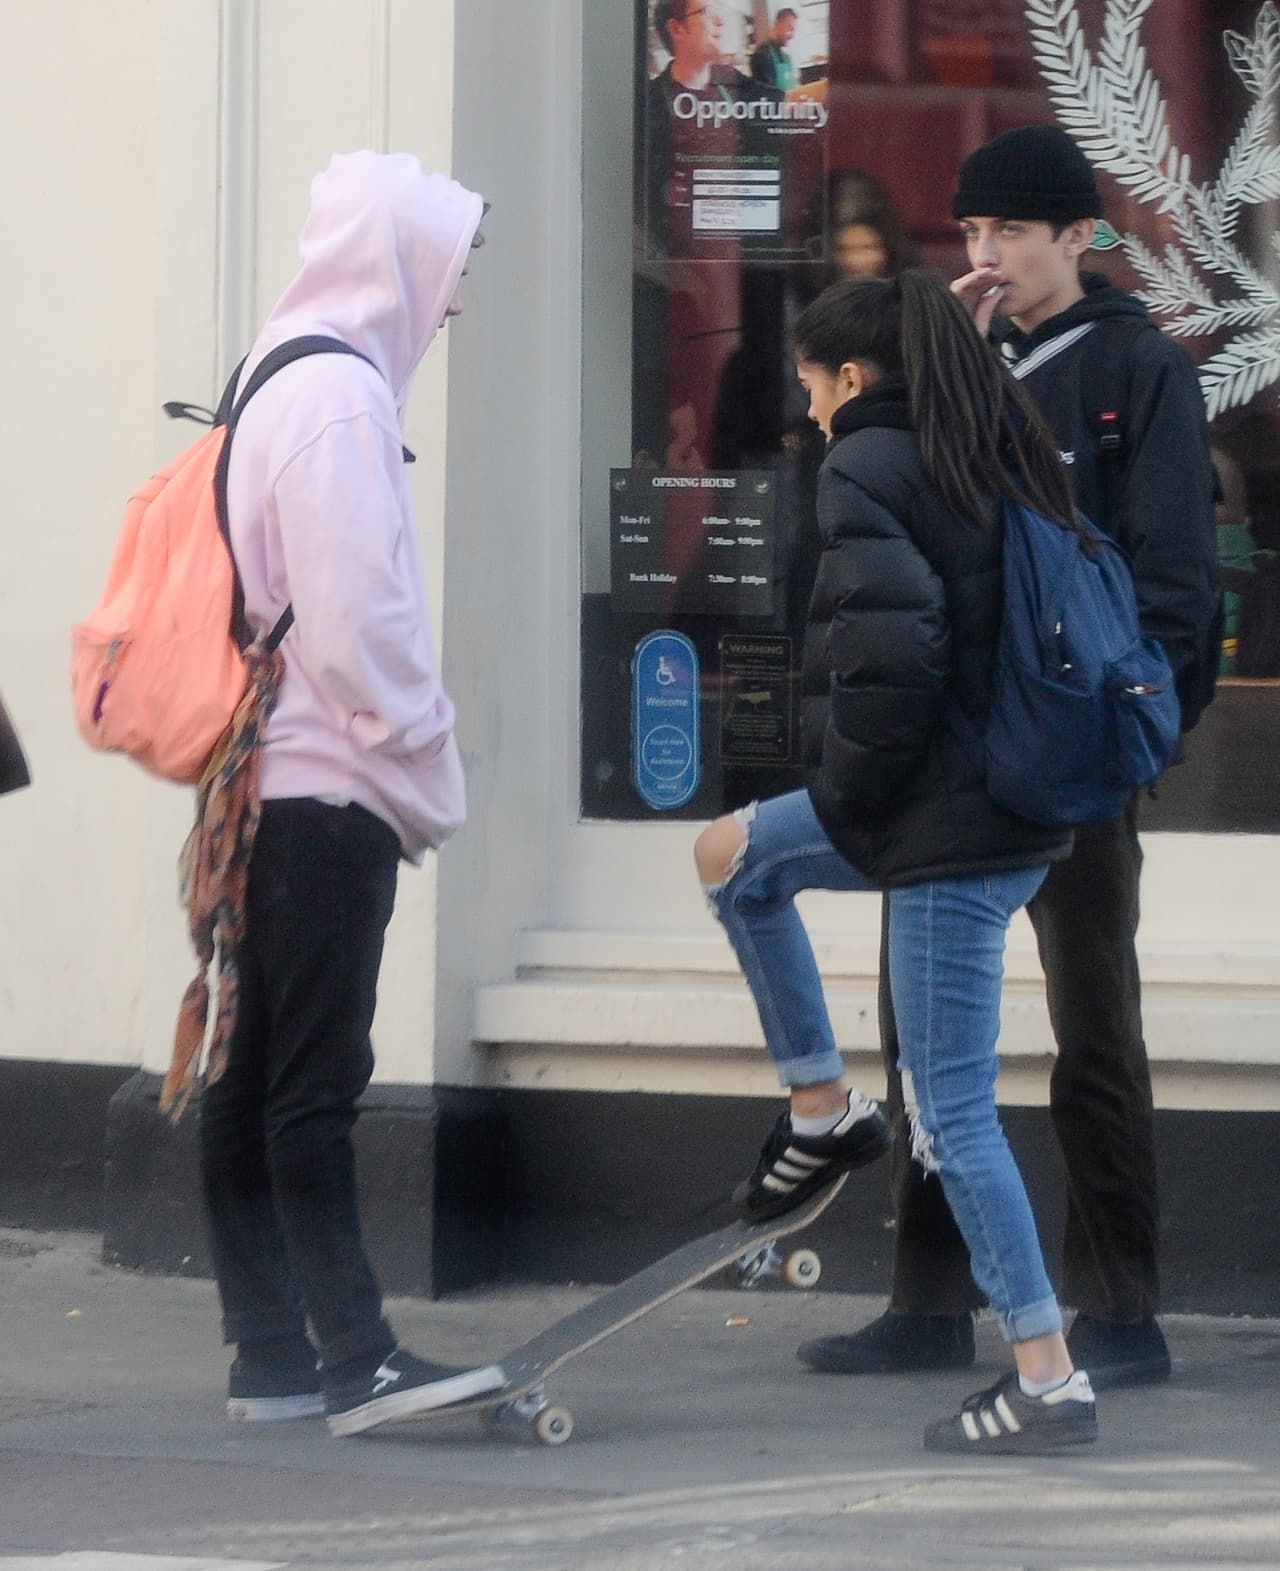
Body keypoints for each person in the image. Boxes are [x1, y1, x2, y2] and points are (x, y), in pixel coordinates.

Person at [797, 125, 1221, 1391]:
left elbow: (1174, 582)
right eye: (969, 234)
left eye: (1009, 235)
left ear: (1076, 240)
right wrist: (948, 351)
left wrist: (1135, 727)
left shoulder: (1137, 367)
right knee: (922, 1034)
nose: (983, 255)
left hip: (1075, 753)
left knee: (1093, 1020)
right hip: (950, 755)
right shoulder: (952, 364)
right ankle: (925, 1300)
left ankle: (1118, 1306)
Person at [696, 269, 1100, 1454]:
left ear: (855, 379)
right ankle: (820, 1104)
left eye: (814, 385)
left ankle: (1045, 1375)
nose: (807, 413)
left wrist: (850, 808)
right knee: (733, 856)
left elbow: (890, 657)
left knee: (951, 1116)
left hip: (941, 828)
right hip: (1003, 808)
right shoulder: (990, 439)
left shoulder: (869, 463)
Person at [198, 151, 505, 1438]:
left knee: (256, 1062)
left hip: (268, 777)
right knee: (313, 1079)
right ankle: (355, 1355)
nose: (450, 302)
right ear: (396, 260)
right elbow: (359, 618)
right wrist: (424, 750)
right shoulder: (337, 399)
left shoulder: (274, 369)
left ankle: (270, 1349)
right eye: (449, 271)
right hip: (328, 787)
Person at [750, 7, 798, 90]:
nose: (792, 36)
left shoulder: (785, 56)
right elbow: (767, 96)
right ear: (778, 24)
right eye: (790, 29)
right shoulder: (760, 56)